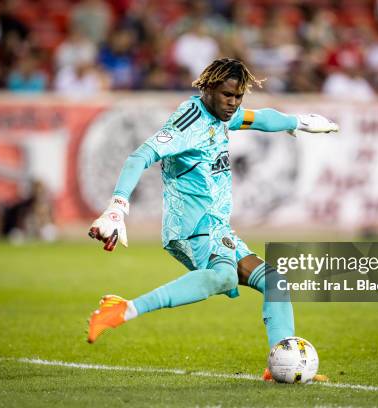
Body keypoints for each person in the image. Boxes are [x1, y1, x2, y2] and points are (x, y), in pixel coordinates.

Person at [86, 58, 337, 380]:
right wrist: (117, 207)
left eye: (238, 97)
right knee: (225, 278)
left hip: (216, 226)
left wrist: (298, 121)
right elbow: (139, 157)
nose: (233, 103)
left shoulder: (221, 116)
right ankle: (123, 309)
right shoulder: (187, 123)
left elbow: (259, 119)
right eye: (226, 95)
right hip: (192, 226)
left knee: (275, 283)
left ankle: (280, 362)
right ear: (207, 89)